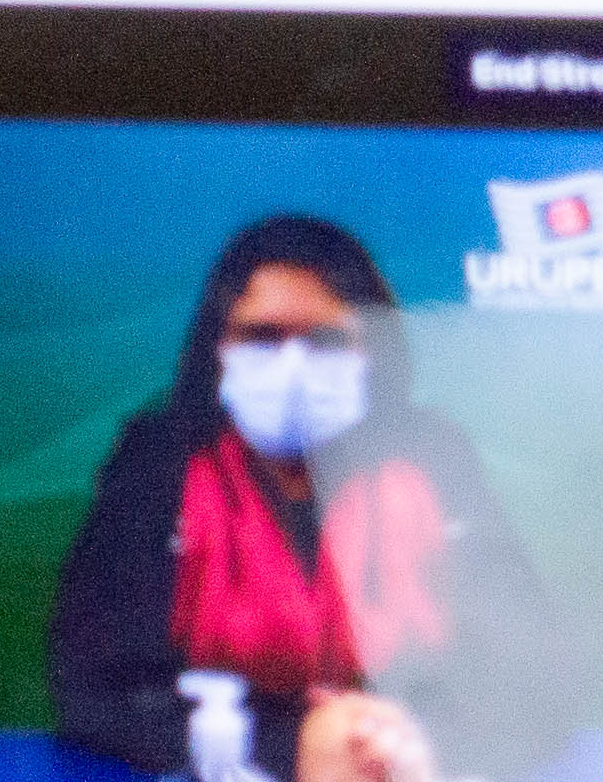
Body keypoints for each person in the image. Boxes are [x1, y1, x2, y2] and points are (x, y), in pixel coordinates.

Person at [47, 220, 569, 782]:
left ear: (373, 348)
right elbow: (87, 688)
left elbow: (533, 680)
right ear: (217, 345)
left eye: (325, 341)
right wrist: (293, 746)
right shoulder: (160, 460)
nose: (293, 366)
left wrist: (394, 745)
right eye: (263, 337)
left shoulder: (434, 457)